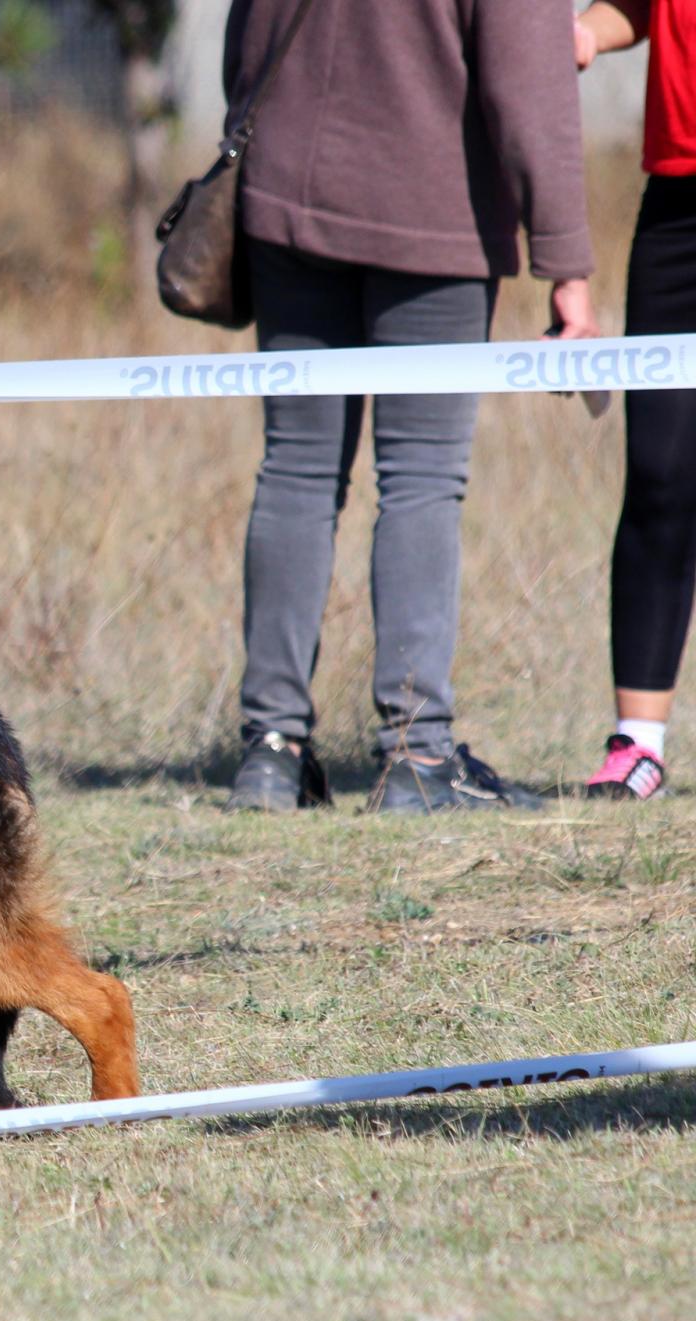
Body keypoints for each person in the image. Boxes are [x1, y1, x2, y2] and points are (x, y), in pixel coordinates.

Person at [219, 0, 599, 815]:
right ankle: (416, 754)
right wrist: (566, 264)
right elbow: (528, 81)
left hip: (289, 200)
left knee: (296, 471)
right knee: (421, 478)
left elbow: (243, 45)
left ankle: (270, 752)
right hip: (434, 213)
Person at [575, 1, 692, 799]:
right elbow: (634, 7)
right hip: (678, 209)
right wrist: (582, 34)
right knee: (659, 472)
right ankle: (637, 744)